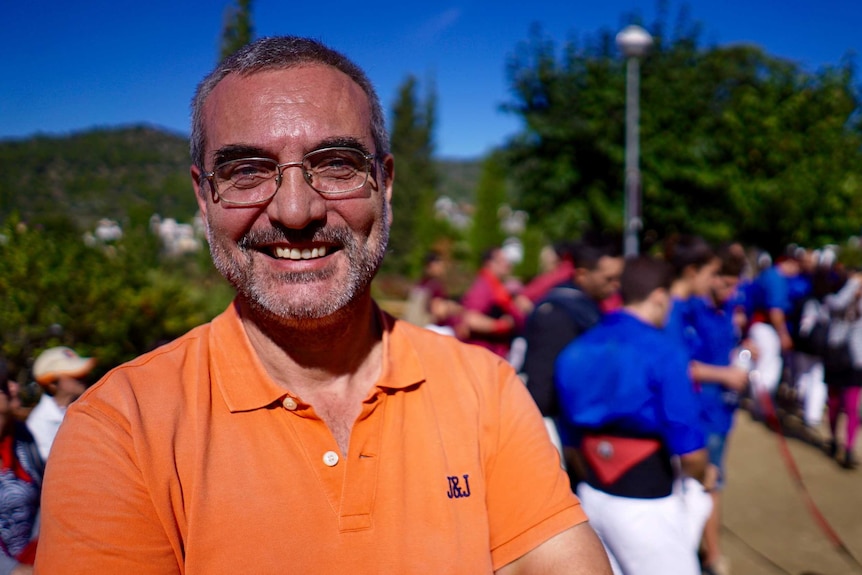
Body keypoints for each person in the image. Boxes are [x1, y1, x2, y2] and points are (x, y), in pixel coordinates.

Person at [36, 36, 610, 574]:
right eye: (246, 172)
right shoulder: (120, 430)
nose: (294, 210)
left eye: (336, 163)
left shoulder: (484, 389)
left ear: (384, 184)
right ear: (203, 196)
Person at [555, 255, 709, 575]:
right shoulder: (664, 352)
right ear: (659, 296)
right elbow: (692, 454)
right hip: (646, 501)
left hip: (589, 495)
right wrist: (701, 477)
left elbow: (569, 440)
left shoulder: (575, 348)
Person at [519, 239, 623, 463]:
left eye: (618, 278)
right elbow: (541, 389)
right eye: (609, 278)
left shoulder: (587, 309)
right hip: (555, 432)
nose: (615, 285)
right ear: (583, 274)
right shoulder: (557, 314)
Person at [0, 359, 43, 575]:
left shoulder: (23, 439)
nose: (14, 387)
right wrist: (13, 570)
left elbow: (45, 498)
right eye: (4, 384)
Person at [822, 270, 862, 470]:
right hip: (835, 354)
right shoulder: (836, 296)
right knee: (834, 402)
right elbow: (836, 304)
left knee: (852, 405)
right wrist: (852, 286)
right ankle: (833, 439)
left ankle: (848, 447)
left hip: (856, 360)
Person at [26, 346, 95, 461]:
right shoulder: (39, 423)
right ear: (52, 383)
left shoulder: (89, 409)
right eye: (76, 375)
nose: (83, 379)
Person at [460, 246, 526, 361]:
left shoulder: (496, 286)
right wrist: (502, 325)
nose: (508, 265)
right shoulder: (483, 286)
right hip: (482, 357)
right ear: (489, 263)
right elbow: (472, 319)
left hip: (494, 356)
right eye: (502, 261)